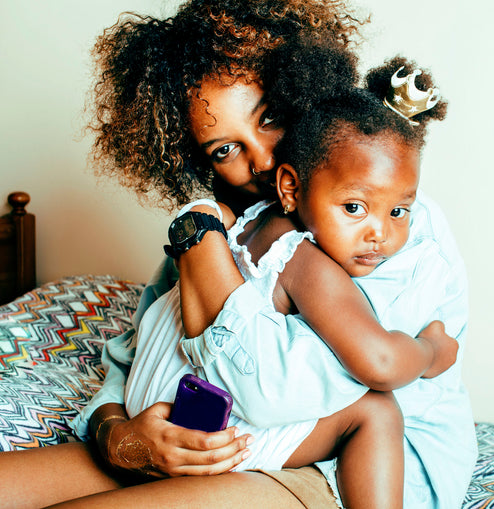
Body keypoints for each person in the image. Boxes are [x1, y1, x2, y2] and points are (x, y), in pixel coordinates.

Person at [122, 45, 459, 509]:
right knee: (376, 410)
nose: (260, 160)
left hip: (226, 429)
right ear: (290, 187)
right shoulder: (272, 243)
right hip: (211, 430)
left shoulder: (404, 239)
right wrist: (430, 349)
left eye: (268, 118)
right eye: (225, 149)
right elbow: (374, 363)